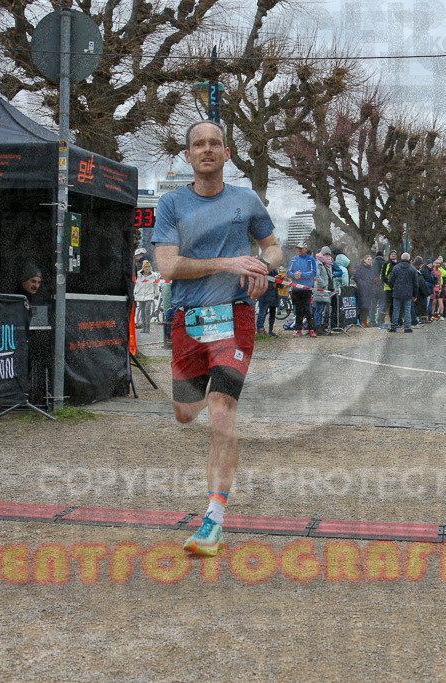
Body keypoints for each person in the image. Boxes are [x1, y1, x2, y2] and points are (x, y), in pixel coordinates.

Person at [152, 120, 281, 557]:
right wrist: (227, 264)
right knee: (186, 413)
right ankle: (207, 387)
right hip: (189, 320)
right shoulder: (171, 205)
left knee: (222, 413)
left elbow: (273, 246)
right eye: (198, 144)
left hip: (235, 318)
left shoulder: (246, 200)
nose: (207, 149)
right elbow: (168, 267)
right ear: (187, 156)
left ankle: (213, 520)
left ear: (227, 153)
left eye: (215, 143)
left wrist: (265, 267)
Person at [287, 242, 316, 336]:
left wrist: (302, 274)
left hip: (306, 288)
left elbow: (314, 272)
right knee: (298, 310)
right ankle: (298, 330)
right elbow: (288, 272)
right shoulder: (294, 259)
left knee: (307, 309)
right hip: (296, 288)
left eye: (301, 248)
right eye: (298, 248)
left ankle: (311, 329)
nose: (299, 250)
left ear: (305, 249)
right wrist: (294, 275)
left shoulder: (311, 259)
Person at [387, 252, 417, 332]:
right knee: (407, 310)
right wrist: (415, 294)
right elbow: (415, 283)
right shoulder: (412, 269)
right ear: (409, 259)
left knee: (396, 309)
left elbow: (391, 280)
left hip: (397, 291)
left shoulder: (396, 268)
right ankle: (407, 327)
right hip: (408, 292)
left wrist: (392, 287)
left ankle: (394, 326)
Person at [133, 260, 160, 334]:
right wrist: (134, 293)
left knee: (147, 311)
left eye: (149, 267)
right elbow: (135, 284)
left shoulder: (153, 275)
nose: (147, 268)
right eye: (146, 267)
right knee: (142, 313)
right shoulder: (138, 274)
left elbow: (156, 285)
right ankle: (143, 328)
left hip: (149, 295)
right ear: (143, 267)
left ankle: (147, 328)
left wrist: (157, 294)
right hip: (140, 295)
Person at [312, 247, 334, 335]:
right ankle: (317, 327)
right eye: (326, 254)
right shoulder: (319, 263)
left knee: (322, 310)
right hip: (320, 289)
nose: (328, 256)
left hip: (325, 290)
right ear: (323, 254)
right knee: (319, 309)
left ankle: (321, 327)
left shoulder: (326, 264)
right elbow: (316, 275)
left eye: (329, 254)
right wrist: (323, 284)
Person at [354, 254, 378, 326]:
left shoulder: (371, 268)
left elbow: (373, 276)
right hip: (362, 290)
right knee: (362, 306)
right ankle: (361, 320)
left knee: (368, 306)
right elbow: (356, 277)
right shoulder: (360, 267)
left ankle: (365, 320)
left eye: (371, 260)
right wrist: (363, 284)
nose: (370, 261)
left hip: (369, 289)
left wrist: (374, 281)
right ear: (364, 260)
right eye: (368, 259)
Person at [380, 250, 398, 329]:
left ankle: (392, 321)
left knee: (394, 305)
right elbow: (383, 276)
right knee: (386, 304)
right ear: (389, 256)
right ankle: (381, 321)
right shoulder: (386, 264)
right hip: (388, 288)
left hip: (396, 288)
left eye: (395, 254)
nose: (393, 255)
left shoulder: (398, 264)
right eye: (392, 254)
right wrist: (390, 285)